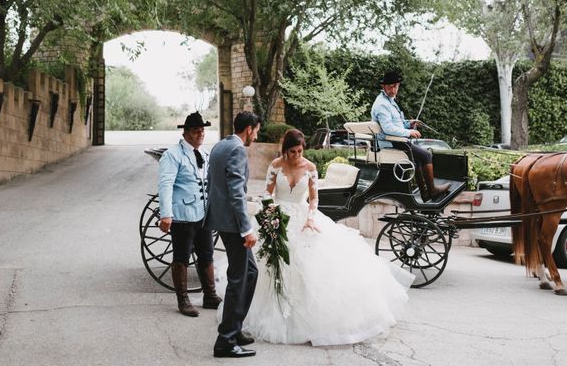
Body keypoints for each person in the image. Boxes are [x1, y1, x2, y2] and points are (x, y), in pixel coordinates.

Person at [217, 129, 414, 346]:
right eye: (292, 151)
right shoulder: (275, 165)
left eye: (299, 151)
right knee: (269, 266)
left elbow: (314, 199)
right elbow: (267, 193)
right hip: (278, 217)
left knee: (309, 268)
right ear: (285, 150)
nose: (296, 155)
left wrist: (311, 218)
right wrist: (270, 211)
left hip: (303, 218)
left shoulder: (310, 168)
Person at [205, 111, 261, 358]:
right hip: (233, 224)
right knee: (240, 276)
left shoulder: (220, 145)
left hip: (221, 219)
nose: (256, 136)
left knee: (250, 272)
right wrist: (247, 228)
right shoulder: (237, 150)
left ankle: (234, 329)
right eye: (256, 131)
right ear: (248, 129)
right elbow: (236, 192)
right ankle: (225, 341)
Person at [157, 111, 222, 317]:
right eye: (196, 131)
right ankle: (183, 300)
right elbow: (165, 185)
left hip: (203, 213)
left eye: (202, 130)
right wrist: (166, 214)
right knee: (182, 257)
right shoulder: (173, 155)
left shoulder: (204, 154)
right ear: (186, 133)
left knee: (207, 254)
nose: (201, 134)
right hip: (183, 215)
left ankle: (210, 295)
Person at [371, 70, 450, 201]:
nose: (393, 89)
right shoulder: (382, 105)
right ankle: (433, 190)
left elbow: (396, 123)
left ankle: (425, 193)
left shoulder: (389, 101)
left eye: (395, 86)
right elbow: (388, 128)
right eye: (389, 87)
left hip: (396, 140)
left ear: (398, 86)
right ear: (383, 87)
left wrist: (409, 123)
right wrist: (409, 132)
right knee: (426, 155)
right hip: (391, 143)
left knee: (418, 158)